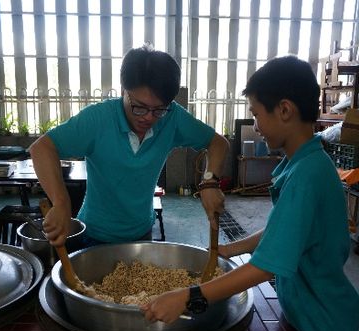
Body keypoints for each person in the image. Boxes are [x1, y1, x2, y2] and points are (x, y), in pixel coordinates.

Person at [141, 55, 359, 331]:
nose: (255, 126)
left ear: (284, 110)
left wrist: (190, 295)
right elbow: (281, 231)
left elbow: (266, 267)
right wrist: (225, 252)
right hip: (304, 310)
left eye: (257, 114)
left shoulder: (308, 175)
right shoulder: (303, 163)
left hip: (322, 321)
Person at [29, 43, 229, 247]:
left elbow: (217, 143)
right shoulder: (98, 119)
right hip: (93, 234)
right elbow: (42, 148)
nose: (149, 118)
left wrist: (210, 182)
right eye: (140, 107)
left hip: (141, 233)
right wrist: (61, 202)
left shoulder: (173, 118)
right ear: (124, 90)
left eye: (159, 109)